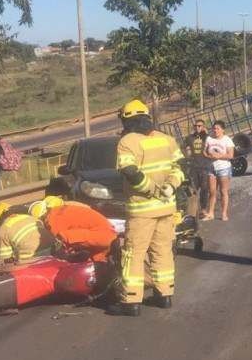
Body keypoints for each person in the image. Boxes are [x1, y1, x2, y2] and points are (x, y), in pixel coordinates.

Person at [109, 99, 184, 317]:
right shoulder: (167, 140)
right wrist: (170, 186)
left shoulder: (127, 142)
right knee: (162, 252)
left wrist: (151, 189)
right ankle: (164, 296)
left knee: (133, 254)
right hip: (166, 208)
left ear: (127, 119)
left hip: (142, 210)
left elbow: (130, 172)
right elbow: (180, 168)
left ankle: (131, 302)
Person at [43, 196, 117, 262]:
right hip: (108, 236)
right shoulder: (73, 207)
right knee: (96, 265)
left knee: (63, 238)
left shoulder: (54, 217)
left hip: (102, 236)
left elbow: (57, 241)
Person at [203, 119, 235, 221]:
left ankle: (224, 213)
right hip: (211, 168)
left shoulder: (227, 140)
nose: (215, 130)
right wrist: (209, 156)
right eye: (214, 128)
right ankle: (210, 213)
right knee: (212, 191)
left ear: (223, 130)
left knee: (223, 191)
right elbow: (204, 152)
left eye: (218, 128)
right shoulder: (209, 139)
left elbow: (230, 155)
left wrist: (218, 156)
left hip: (223, 168)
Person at [181, 120, 210, 217]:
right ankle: (193, 212)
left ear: (203, 127)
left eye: (200, 126)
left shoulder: (207, 137)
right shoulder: (190, 138)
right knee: (193, 190)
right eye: (196, 126)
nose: (197, 128)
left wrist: (207, 134)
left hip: (205, 166)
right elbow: (182, 147)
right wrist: (187, 157)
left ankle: (204, 209)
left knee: (205, 189)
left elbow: (214, 144)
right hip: (194, 167)